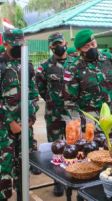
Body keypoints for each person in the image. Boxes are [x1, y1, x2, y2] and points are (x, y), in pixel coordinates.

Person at [63, 29, 112, 151]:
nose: (91, 48)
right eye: (86, 47)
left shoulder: (109, 58)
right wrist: (77, 127)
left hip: (111, 118)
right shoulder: (73, 67)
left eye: (93, 44)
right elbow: (70, 102)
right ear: (79, 50)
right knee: (93, 157)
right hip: (90, 121)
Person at [0, 29, 39, 201]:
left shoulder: (26, 64)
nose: (18, 47)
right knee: (5, 172)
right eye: (14, 44)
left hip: (25, 127)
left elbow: (34, 94)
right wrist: (10, 122)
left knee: (24, 167)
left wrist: (30, 119)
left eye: (20, 43)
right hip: (4, 130)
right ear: (6, 44)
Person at [35, 32, 71, 196]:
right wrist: (50, 99)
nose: (58, 46)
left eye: (59, 43)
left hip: (73, 114)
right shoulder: (45, 66)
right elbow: (40, 86)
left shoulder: (76, 62)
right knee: (56, 148)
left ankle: (74, 176)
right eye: (54, 45)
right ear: (51, 47)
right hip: (54, 113)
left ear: (65, 42)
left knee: (74, 146)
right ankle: (58, 182)